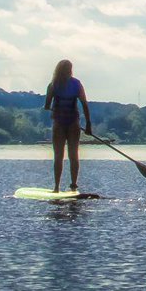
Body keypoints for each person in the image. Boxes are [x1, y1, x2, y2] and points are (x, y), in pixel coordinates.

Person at [43, 59, 91, 193]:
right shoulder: (77, 84)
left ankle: (56, 187)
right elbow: (84, 104)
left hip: (59, 123)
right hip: (73, 123)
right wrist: (88, 124)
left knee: (58, 155)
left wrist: (50, 108)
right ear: (70, 70)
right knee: (73, 154)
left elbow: (47, 105)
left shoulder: (53, 85)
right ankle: (73, 185)